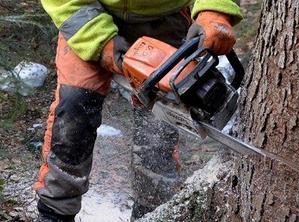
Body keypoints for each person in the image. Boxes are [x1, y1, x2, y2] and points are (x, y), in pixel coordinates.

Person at [34, 0, 242, 221]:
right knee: (73, 110)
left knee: (159, 129)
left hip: (166, 17)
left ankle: (151, 211)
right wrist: (98, 39)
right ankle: (55, 213)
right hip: (85, 15)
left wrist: (216, 10)